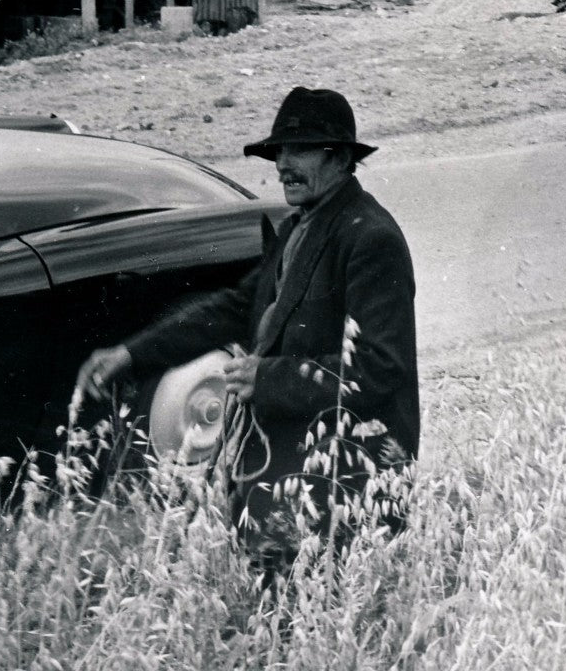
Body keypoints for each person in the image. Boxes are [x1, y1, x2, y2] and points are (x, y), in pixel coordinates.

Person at [77, 87, 418, 568]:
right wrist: (132, 354)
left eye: (299, 150)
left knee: (307, 598)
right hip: (291, 470)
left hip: (345, 478)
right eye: (278, 152)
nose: (283, 165)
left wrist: (269, 377)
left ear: (341, 158)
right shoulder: (301, 228)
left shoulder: (370, 238)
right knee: (268, 588)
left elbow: (379, 368)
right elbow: (236, 308)